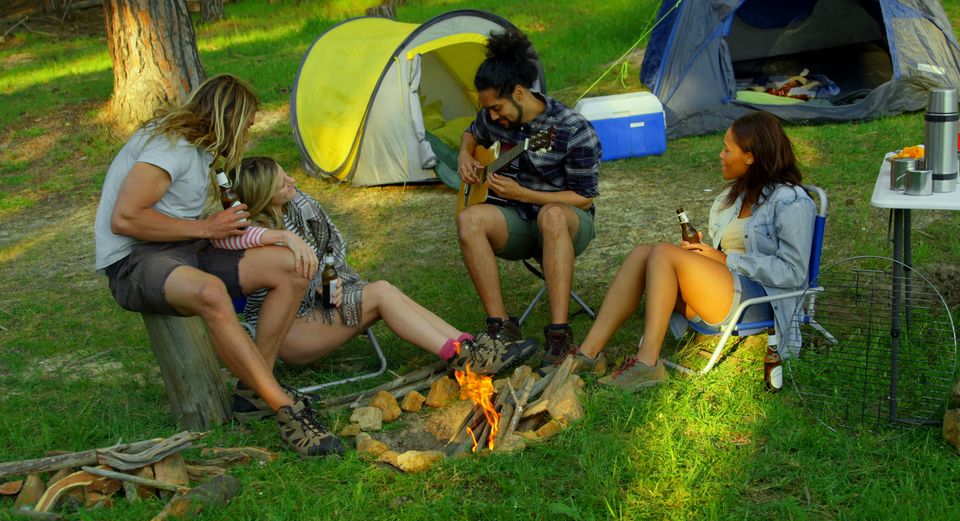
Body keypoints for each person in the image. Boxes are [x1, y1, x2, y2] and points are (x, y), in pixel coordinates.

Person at [93, 74, 344, 457]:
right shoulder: (169, 147)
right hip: (133, 260)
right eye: (246, 126)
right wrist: (205, 227)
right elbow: (125, 219)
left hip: (184, 247)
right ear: (229, 119)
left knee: (292, 266)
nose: (247, 136)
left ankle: (252, 391)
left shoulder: (200, 150)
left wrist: (280, 236)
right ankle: (285, 408)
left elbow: (196, 225)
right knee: (211, 293)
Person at [211, 156, 539, 377]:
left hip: (322, 311)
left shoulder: (298, 207)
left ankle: (469, 347)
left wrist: (332, 283)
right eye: (284, 183)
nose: (294, 182)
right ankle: (464, 357)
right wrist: (281, 239)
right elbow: (223, 243)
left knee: (385, 291)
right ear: (264, 195)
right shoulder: (248, 236)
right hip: (289, 335)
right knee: (381, 294)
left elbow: (329, 248)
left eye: (289, 176)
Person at [562, 111, 816, 392]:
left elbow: (794, 273)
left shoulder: (792, 202)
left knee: (663, 253)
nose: (720, 155)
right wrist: (701, 256)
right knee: (643, 254)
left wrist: (725, 259)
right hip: (728, 289)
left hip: (763, 302)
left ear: (750, 157)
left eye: (726, 149)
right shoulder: (731, 198)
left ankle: (647, 364)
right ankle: (588, 354)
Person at [456, 29, 602, 369]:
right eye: (487, 110)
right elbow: (471, 133)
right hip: (518, 220)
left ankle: (559, 334)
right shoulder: (494, 117)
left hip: (568, 222)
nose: (492, 117)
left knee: (551, 215)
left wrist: (524, 193)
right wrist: (465, 155)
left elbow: (582, 197)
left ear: (519, 92)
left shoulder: (571, 129)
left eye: (497, 108)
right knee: (469, 219)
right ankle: (500, 328)